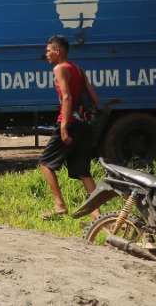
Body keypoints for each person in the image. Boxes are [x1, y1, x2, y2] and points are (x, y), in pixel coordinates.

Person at [39, 34, 101, 219]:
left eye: (49, 51)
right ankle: (98, 217)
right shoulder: (78, 69)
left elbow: (67, 98)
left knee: (45, 163)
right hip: (84, 124)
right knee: (83, 171)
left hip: (70, 122)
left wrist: (64, 127)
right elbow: (95, 100)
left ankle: (59, 205)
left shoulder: (60, 69)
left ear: (58, 51)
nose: (46, 54)